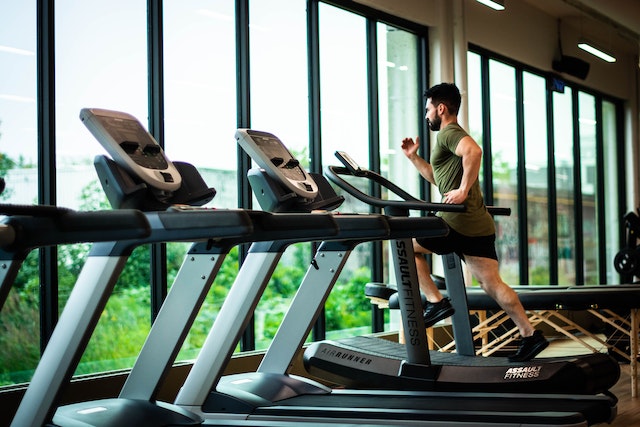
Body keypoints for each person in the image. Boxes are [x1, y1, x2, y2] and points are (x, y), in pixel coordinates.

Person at [401, 82, 548, 362]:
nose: (426, 115)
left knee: (404, 245)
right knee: (492, 284)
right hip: (478, 225)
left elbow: (475, 152)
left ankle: (436, 302)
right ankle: (530, 334)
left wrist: (463, 191)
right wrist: (414, 158)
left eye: (428, 109)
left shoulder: (449, 134)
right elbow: (438, 178)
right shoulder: (449, 138)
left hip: (455, 222)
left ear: (440, 108)